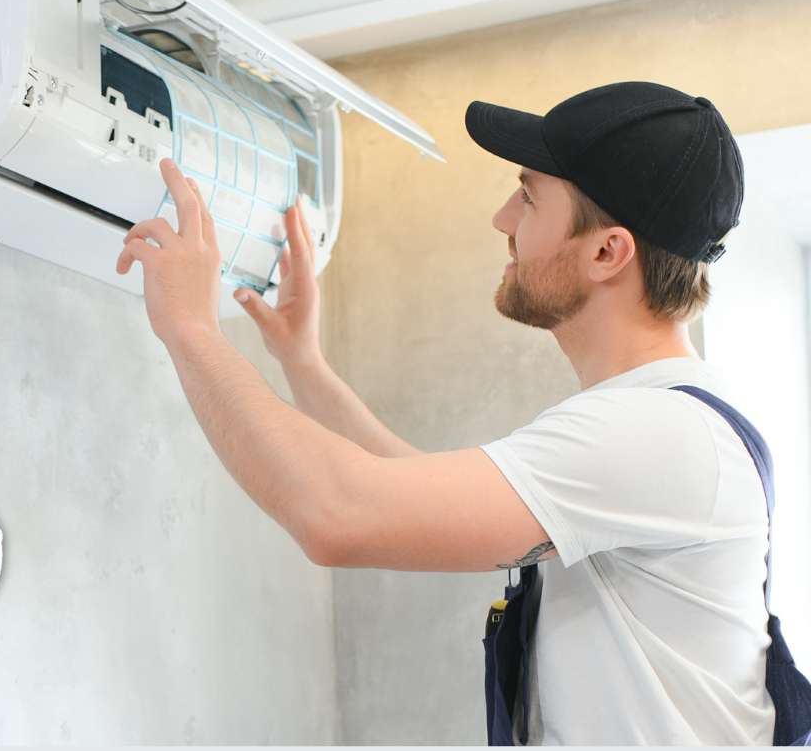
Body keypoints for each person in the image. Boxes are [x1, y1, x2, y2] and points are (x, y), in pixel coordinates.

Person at [115, 81, 773, 744]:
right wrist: (301, 361)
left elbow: (338, 514)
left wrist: (191, 329)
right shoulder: (658, 424)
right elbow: (407, 488)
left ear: (608, 252)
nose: (502, 220)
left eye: (528, 197)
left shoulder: (654, 434)